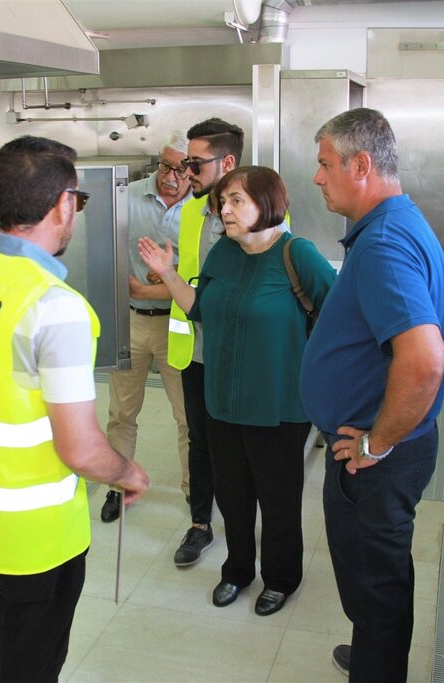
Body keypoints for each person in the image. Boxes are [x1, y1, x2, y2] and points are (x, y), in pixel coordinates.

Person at [0, 135, 149, 683]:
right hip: (34, 536)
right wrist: (129, 473)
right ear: (64, 203)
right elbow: (82, 449)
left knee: (7, 631)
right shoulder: (54, 308)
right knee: (33, 662)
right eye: (79, 203)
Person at [141, 166, 336, 616]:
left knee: (278, 498)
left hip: (278, 406)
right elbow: (201, 309)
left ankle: (282, 578)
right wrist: (167, 274)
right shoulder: (223, 254)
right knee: (233, 495)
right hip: (222, 402)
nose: (224, 210)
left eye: (236, 201)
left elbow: (338, 314)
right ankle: (237, 571)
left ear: (267, 204)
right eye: (223, 202)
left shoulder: (296, 253)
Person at [299, 109, 444, 681]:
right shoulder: (395, 223)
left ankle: (377, 666)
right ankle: (372, 654)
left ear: (360, 165)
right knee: (372, 575)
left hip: (377, 454)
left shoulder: (385, 242)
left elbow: (425, 358)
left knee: (378, 581)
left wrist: (377, 443)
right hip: (384, 442)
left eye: (324, 164)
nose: (317, 178)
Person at [163, 118, 244, 567]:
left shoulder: (262, 209)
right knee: (200, 440)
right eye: (186, 162)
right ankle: (200, 524)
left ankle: (240, 533)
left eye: (195, 163)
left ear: (227, 162)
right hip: (194, 348)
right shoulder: (190, 212)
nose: (186, 172)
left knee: (234, 444)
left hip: (237, 351)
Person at [100, 132, 192, 525]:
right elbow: (106, 248)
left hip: (179, 325)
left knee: (188, 416)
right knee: (122, 411)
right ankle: (117, 487)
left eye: (181, 168)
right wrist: (135, 289)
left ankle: (195, 491)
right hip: (132, 320)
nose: (170, 175)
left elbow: (200, 275)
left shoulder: (203, 209)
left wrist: (151, 287)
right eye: (165, 164)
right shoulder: (127, 195)